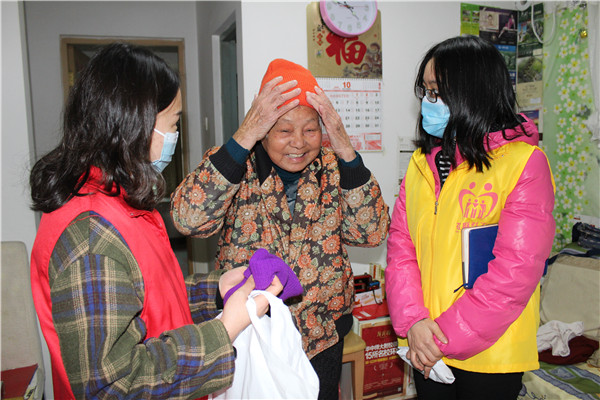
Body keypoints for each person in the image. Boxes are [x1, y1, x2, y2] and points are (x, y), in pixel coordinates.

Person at [29, 42, 283, 400]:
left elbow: (147, 299)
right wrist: (225, 330)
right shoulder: (90, 237)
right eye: (174, 123)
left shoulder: (120, 201)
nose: (176, 136)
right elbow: (112, 386)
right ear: (136, 125)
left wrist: (216, 290)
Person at [170, 58, 390, 399]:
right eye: (284, 130)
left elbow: (372, 231)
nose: (298, 143)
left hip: (322, 333)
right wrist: (243, 137)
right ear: (262, 128)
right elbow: (188, 219)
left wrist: (345, 147)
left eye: (311, 130)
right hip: (252, 330)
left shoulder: (334, 167)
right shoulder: (234, 164)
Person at [385, 35, 555, 400]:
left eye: (437, 92)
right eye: (425, 92)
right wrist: (414, 322)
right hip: (424, 343)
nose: (428, 102)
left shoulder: (524, 164)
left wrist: (440, 337)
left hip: (490, 354)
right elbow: (401, 249)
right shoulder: (422, 164)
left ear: (473, 93)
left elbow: (515, 272)